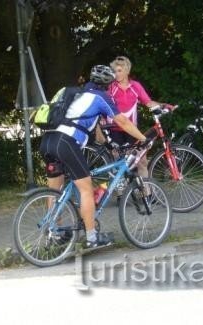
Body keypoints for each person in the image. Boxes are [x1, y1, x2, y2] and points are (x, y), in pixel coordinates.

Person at [39, 65, 147, 248]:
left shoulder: (78, 94)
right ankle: (92, 238)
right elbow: (121, 121)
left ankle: (55, 234)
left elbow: (95, 129)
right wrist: (143, 138)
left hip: (48, 141)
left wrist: (106, 142)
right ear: (108, 84)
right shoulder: (101, 97)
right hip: (66, 143)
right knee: (86, 189)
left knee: (55, 191)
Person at [106, 56, 168, 178]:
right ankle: (120, 195)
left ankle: (146, 193)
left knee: (142, 161)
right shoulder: (111, 87)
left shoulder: (135, 86)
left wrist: (165, 105)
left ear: (127, 71)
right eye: (115, 71)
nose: (117, 74)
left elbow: (148, 102)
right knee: (117, 162)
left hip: (131, 129)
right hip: (114, 129)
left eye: (120, 70)